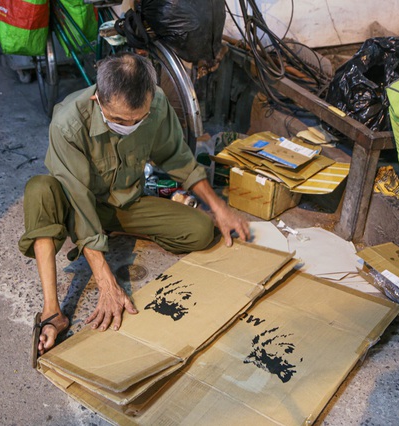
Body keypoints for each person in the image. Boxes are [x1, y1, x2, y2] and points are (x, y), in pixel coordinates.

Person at [19, 52, 250, 359]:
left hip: (123, 203)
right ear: (97, 100)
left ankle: (108, 233)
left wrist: (219, 207)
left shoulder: (155, 104)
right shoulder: (67, 123)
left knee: (201, 230)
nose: (128, 125)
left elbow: (177, 158)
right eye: (117, 120)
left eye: (136, 120)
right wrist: (106, 282)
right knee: (39, 189)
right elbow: (78, 199)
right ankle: (52, 311)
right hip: (76, 204)